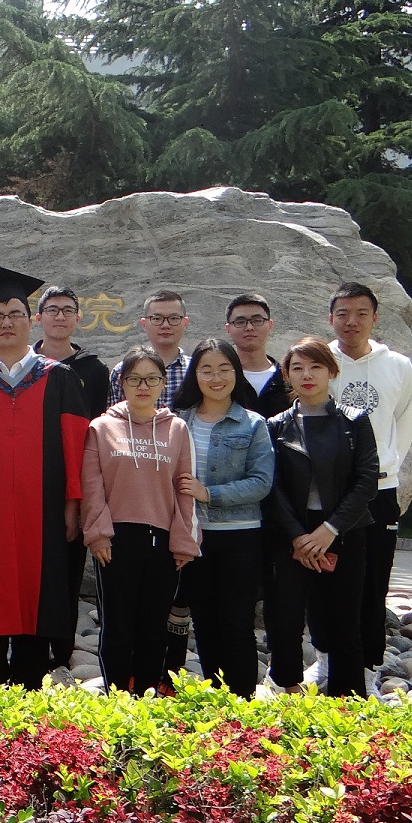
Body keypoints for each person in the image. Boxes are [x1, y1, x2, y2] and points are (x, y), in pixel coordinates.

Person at [0, 268, 91, 689]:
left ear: (31, 321)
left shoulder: (59, 378)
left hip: (44, 509)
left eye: (14, 313)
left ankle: (30, 679)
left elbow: (75, 445)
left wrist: (73, 502)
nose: (6, 322)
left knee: (39, 587)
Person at [263, 337, 379, 697]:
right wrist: (299, 537)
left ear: (332, 371)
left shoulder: (354, 421)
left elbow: (366, 480)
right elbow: (271, 487)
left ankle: (347, 699)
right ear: (286, 375)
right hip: (292, 535)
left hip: (343, 532)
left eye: (315, 366)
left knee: (344, 618)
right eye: (297, 368)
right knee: (285, 616)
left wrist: (329, 529)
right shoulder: (275, 426)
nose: (307, 375)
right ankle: (286, 686)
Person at [81, 345, 200, 695]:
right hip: (116, 540)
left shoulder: (177, 429)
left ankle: (147, 696)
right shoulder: (101, 427)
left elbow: (184, 488)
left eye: (151, 379)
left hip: (162, 540)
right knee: (118, 625)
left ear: (163, 382)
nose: (143, 386)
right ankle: (117, 696)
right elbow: (92, 486)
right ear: (122, 382)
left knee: (153, 625)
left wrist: (184, 541)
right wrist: (98, 535)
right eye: (135, 379)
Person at [328, 281, 412, 697]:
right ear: (331, 318)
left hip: (380, 491)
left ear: (375, 317)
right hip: (330, 489)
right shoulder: (319, 361)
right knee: (326, 579)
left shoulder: (397, 365)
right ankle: (326, 658)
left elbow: (405, 423)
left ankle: (368, 667)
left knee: (373, 579)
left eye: (361, 313)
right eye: (343, 313)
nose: (352, 321)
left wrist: (386, 469)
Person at [171, 339, 274, 698]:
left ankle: (241, 701)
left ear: (236, 372)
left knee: (236, 621)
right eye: (207, 370)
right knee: (204, 620)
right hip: (193, 535)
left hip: (239, 537)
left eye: (224, 369)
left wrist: (209, 493)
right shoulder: (177, 421)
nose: (216, 378)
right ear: (194, 375)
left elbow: (261, 482)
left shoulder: (253, 424)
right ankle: (215, 698)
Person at [108, 290, 195, 683]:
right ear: (144, 323)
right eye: (157, 317)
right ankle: (124, 681)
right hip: (130, 501)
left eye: (173, 317)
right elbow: (113, 433)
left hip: (176, 496)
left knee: (172, 602)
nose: (165, 324)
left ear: (185, 322)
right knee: (125, 608)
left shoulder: (195, 371)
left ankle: (166, 676)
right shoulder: (119, 378)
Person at [31, 284, 112, 672]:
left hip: (76, 478)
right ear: (38, 318)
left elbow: (100, 430)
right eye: (52, 310)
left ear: (79, 318)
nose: (60, 316)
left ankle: (61, 648)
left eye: (67, 310)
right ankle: (28, 640)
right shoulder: (23, 366)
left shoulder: (94, 370)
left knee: (67, 561)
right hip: (28, 479)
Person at [224, 293, 291, 417]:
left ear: (270, 325)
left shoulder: (289, 379)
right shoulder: (220, 379)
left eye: (257, 321)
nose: (249, 327)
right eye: (240, 322)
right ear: (228, 328)